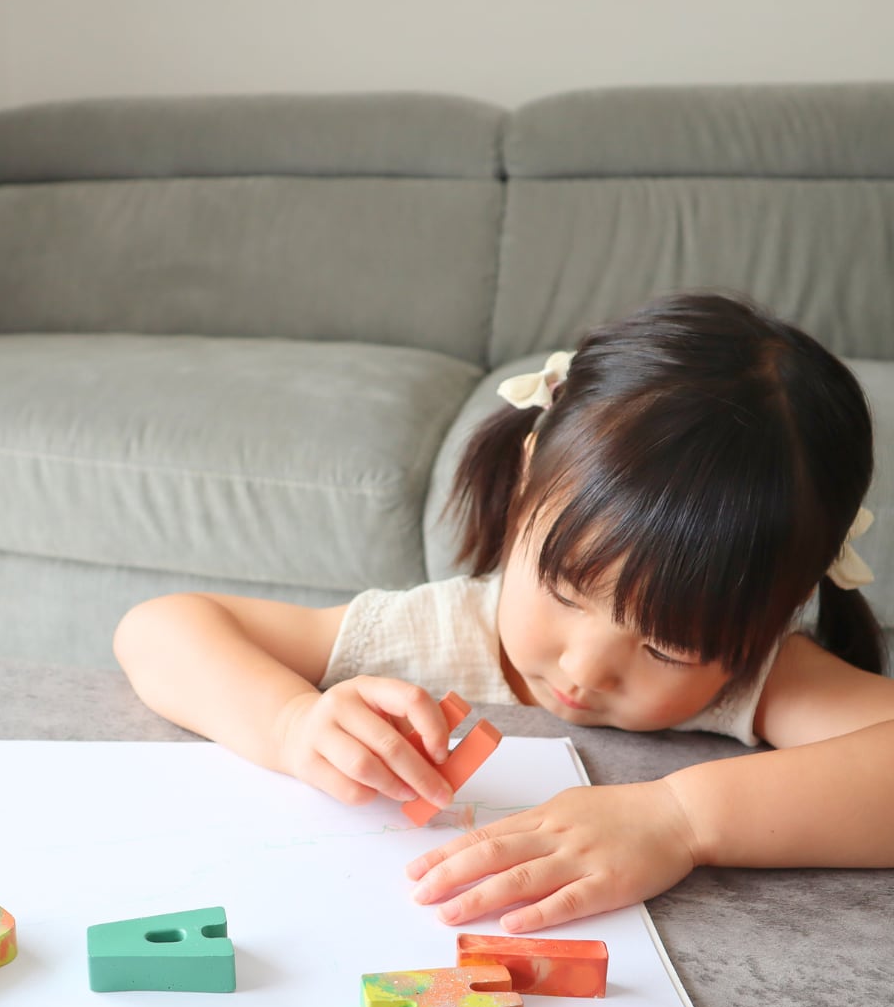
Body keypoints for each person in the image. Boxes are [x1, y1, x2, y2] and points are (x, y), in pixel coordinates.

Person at [113, 292, 894, 933]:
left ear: (778, 610)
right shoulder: (428, 635)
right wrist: (290, 724)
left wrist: (680, 818)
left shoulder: (759, 676)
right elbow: (158, 630)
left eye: (668, 648)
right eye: (565, 592)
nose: (585, 669)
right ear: (527, 482)